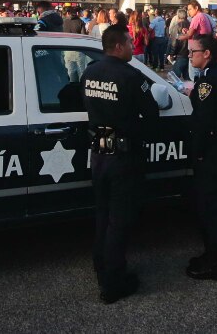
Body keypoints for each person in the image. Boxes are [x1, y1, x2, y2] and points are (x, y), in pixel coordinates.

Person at [82, 24, 159, 303]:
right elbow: (151, 115)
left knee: (102, 217)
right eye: (129, 42)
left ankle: (102, 270)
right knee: (119, 221)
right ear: (118, 46)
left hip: (98, 156)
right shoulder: (130, 75)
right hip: (123, 158)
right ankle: (114, 283)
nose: (132, 47)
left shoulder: (90, 71)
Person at [185, 33, 217, 280]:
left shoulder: (207, 81)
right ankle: (213, 256)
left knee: (209, 208)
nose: (189, 55)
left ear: (206, 54)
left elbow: (203, 121)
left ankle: (214, 263)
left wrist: (197, 155)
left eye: (193, 51)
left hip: (212, 150)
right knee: (215, 205)